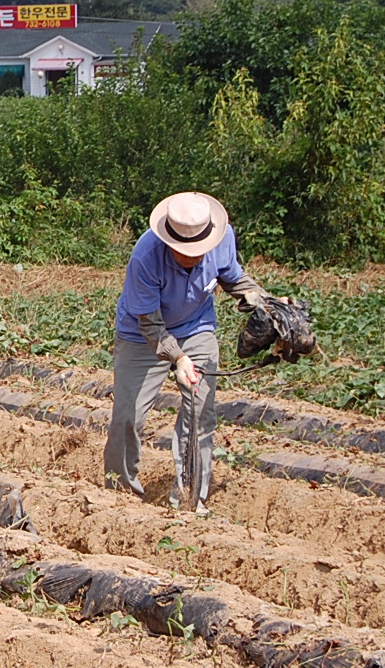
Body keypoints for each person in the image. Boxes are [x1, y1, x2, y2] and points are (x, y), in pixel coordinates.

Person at [104, 192, 266, 512]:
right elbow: (150, 325)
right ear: (168, 241)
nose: (192, 256)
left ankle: (190, 497)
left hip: (196, 327)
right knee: (128, 416)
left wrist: (263, 301)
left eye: (198, 251)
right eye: (183, 251)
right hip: (142, 335)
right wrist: (178, 358)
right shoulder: (146, 256)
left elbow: (232, 277)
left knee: (199, 412)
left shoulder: (223, 238)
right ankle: (120, 495)